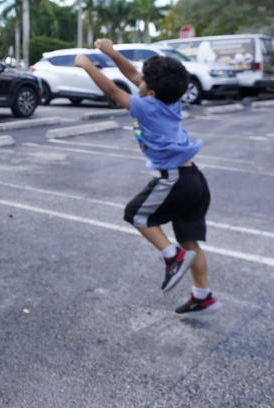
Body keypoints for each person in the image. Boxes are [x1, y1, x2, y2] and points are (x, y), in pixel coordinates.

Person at [75, 38, 220, 315]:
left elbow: (111, 89)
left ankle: (172, 256)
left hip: (174, 179)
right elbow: (132, 75)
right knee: (190, 242)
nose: (137, 80)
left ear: (150, 92)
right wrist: (112, 52)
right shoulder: (170, 99)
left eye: (143, 81)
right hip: (195, 179)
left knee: (136, 214)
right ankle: (203, 295)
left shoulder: (145, 106)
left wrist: (86, 65)